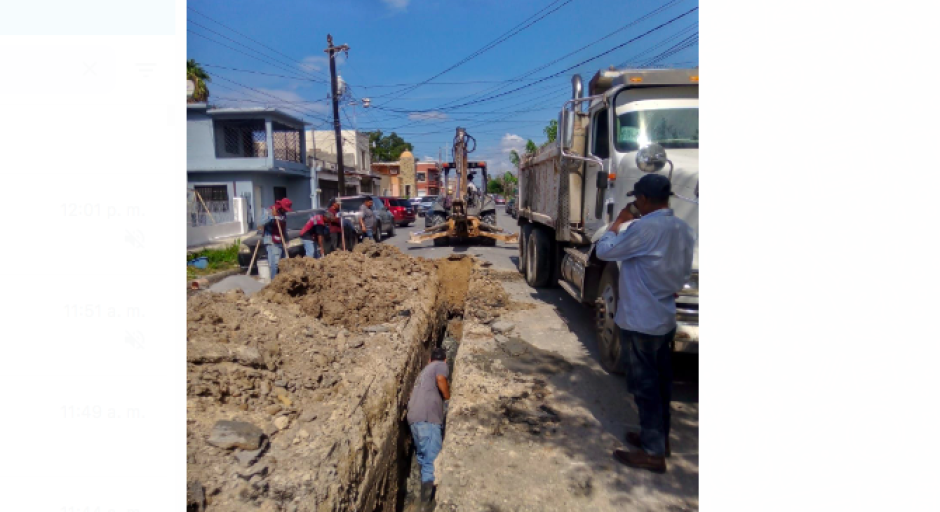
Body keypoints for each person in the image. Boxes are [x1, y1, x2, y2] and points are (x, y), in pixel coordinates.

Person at [595, 174, 694, 474]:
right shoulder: (683, 229)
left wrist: (617, 223)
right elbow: (682, 275)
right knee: (661, 383)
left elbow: (604, 251)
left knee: (644, 386)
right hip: (663, 317)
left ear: (645, 200)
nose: (634, 203)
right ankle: (658, 439)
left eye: (637, 199)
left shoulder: (643, 228)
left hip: (640, 319)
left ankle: (652, 453)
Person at [407, 347, 450, 504]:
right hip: (428, 418)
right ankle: (427, 504)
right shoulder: (440, 365)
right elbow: (441, 379)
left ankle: (419, 492)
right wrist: (447, 398)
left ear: (429, 360)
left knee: (423, 455)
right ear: (445, 360)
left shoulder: (423, 373)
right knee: (433, 459)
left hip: (413, 418)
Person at [261, 198, 292, 279]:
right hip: (271, 240)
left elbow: (283, 228)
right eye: (284, 209)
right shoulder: (270, 211)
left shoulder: (283, 214)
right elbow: (261, 223)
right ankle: (274, 282)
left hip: (280, 241)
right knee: (274, 264)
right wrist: (273, 217)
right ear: (281, 206)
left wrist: (287, 239)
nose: (285, 211)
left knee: (284, 262)